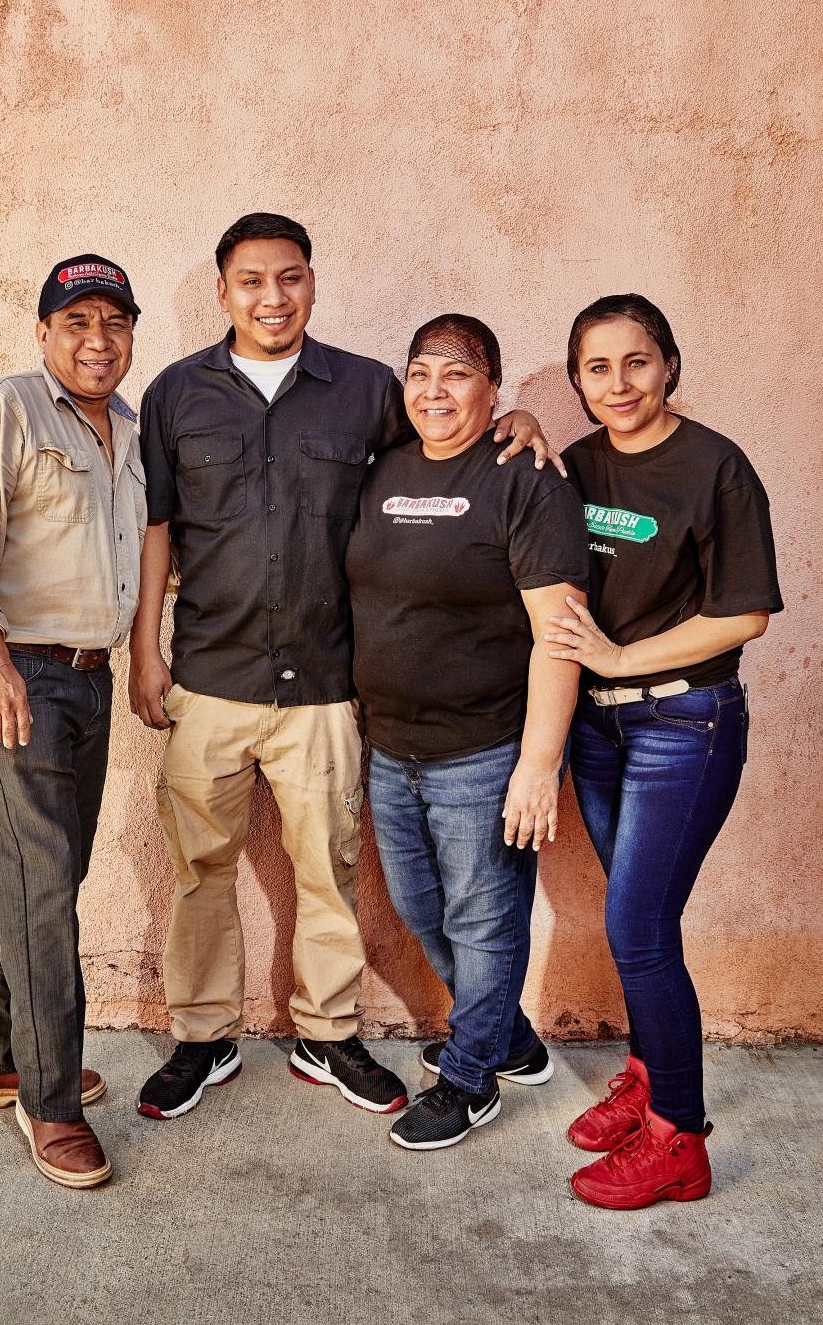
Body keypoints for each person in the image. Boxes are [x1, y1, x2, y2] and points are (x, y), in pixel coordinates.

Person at [129, 214, 555, 1121]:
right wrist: (143, 649)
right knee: (199, 868)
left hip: (326, 685)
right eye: (251, 280)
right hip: (207, 676)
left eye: (289, 278)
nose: (271, 297)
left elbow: (456, 421)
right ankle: (203, 1039)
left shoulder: (367, 389)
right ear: (223, 291)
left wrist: (521, 414)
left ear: (312, 283)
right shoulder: (175, 394)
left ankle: (328, 1034)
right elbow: (158, 530)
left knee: (329, 869)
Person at [547, 293, 783, 1209]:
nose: (618, 383)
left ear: (669, 365)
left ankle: (679, 1139)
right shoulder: (574, 464)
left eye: (636, 362)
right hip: (598, 730)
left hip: (686, 723)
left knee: (636, 930)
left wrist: (618, 657)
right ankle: (649, 1079)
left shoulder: (717, 466)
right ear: (578, 380)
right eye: (596, 368)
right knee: (643, 922)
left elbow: (746, 613)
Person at [0, 254, 148, 1189]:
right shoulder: (2, 409)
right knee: (43, 884)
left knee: (30, 873)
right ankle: (49, 1102)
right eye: (78, 323)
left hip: (87, 682)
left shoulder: (128, 430)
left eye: (115, 322)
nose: (98, 341)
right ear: (46, 332)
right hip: (10, 674)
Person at [344, 314, 590, 1150]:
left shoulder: (525, 481)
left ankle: (471, 1079)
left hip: (483, 755)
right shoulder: (384, 470)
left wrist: (538, 765)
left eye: (458, 374)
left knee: (485, 925)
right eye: (420, 373)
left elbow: (561, 631)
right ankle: (508, 1037)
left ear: (494, 389)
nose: (435, 391)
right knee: (424, 912)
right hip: (392, 750)